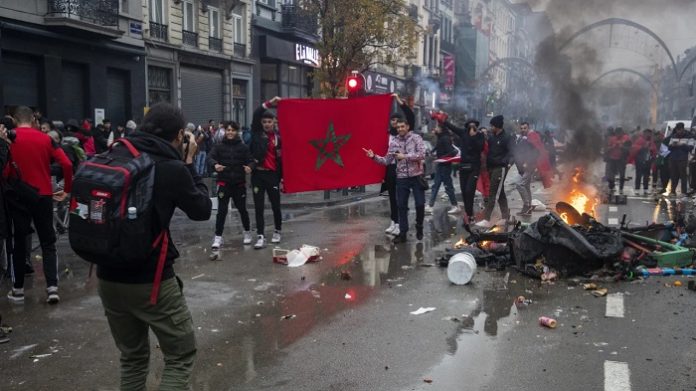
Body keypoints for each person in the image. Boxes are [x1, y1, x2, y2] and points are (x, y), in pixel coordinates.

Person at [97, 103, 212, 389]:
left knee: (132, 358)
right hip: (152, 279)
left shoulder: (114, 154)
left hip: (107, 275)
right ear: (179, 137)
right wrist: (188, 164)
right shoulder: (171, 167)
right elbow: (201, 209)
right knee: (180, 354)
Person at [3, 106, 73, 304]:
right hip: (43, 195)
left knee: (19, 243)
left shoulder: (10, 138)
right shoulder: (46, 139)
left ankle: (17, 290)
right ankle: (52, 288)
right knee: (48, 242)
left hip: (18, 196)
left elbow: (6, 170)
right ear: (33, 119)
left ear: (15, 121)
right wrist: (66, 188)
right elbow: (67, 164)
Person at [364, 117, 426, 243]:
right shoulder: (394, 142)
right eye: (398, 127)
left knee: (420, 204)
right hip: (402, 177)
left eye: (402, 126)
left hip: (416, 176)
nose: (400, 129)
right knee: (401, 206)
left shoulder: (416, 138)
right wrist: (373, 156)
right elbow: (387, 160)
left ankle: (419, 226)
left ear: (407, 127)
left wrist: (406, 156)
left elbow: (422, 154)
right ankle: (403, 233)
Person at [208, 120, 255, 249]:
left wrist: (250, 167)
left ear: (236, 132)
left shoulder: (243, 147)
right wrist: (215, 165)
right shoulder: (219, 146)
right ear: (225, 131)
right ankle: (218, 237)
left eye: (232, 130)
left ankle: (247, 233)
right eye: (228, 130)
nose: (230, 132)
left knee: (242, 210)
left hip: (239, 183)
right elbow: (210, 157)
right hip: (224, 183)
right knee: (221, 211)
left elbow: (251, 160)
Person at [249, 97, 283, 249]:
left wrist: (282, 178)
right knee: (259, 207)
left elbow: (283, 160)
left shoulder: (278, 138)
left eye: (270, 122)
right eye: (264, 122)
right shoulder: (257, 133)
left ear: (274, 122)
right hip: (258, 176)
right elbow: (257, 113)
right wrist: (270, 102)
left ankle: (277, 230)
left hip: (273, 176)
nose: (267, 124)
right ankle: (260, 236)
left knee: (276, 205)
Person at [441, 117, 486, 228]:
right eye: (470, 125)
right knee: (464, 192)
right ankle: (469, 214)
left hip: (474, 167)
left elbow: (480, 148)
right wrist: (443, 119)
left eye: (474, 125)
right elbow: (452, 127)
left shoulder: (480, 136)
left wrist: (474, 136)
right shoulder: (463, 133)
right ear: (466, 126)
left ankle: (470, 215)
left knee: (469, 190)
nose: (472, 127)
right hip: (463, 166)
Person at [382, 94, 415, 236]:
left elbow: (410, 115)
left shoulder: (404, 133)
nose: (394, 123)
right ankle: (393, 222)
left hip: (402, 169)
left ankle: (400, 223)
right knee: (391, 197)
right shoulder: (386, 134)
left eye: (396, 120)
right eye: (392, 120)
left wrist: (399, 101)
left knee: (400, 198)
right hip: (390, 168)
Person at [478, 115, 514, 227]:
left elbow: (512, 153)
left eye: (492, 125)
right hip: (491, 168)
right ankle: (505, 217)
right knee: (501, 192)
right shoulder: (491, 137)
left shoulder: (507, 138)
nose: (490, 127)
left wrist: (505, 162)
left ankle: (487, 219)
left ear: (497, 126)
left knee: (493, 193)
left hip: (500, 168)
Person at [513, 122, 552, 216]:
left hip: (528, 166)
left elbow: (537, 152)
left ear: (528, 128)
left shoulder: (532, 137)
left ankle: (527, 206)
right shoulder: (522, 138)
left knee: (519, 184)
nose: (523, 130)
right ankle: (528, 207)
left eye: (525, 128)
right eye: (521, 128)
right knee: (525, 186)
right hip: (523, 166)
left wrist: (528, 162)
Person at [425, 124, 460, 214]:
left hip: (445, 166)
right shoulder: (441, 138)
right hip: (441, 165)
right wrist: (433, 153)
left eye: (437, 127)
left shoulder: (445, 138)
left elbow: (452, 152)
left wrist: (442, 158)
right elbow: (438, 148)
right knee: (436, 185)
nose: (435, 129)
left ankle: (455, 205)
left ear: (441, 129)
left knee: (447, 186)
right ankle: (430, 205)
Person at [667, 122, 693, 197]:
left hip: (682, 159)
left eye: (680, 130)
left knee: (683, 175)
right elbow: (669, 147)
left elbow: (690, 147)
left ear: (683, 129)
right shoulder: (673, 136)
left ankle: (683, 192)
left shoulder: (689, 137)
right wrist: (673, 145)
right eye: (677, 130)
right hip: (673, 158)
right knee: (673, 175)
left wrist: (682, 145)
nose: (679, 131)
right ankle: (672, 191)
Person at [629, 129, 656, 196]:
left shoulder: (651, 141)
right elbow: (634, 148)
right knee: (639, 175)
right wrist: (643, 147)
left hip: (648, 160)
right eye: (647, 133)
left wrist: (652, 152)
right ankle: (637, 189)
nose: (648, 135)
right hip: (639, 160)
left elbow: (654, 149)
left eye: (650, 134)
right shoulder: (640, 140)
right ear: (644, 133)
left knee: (646, 176)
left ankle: (645, 189)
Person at [605, 127, 631, 194]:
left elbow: (629, 149)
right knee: (611, 174)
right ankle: (611, 187)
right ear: (615, 133)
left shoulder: (626, 138)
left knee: (622, 174)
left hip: (621, 159)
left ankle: (621, 189)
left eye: (620, 133)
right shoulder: (612, 139)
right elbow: (607, 149)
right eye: (617, 133)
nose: (618, 134)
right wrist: (613, 147)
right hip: (612, 158)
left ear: (622, 132)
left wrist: (621, 147)